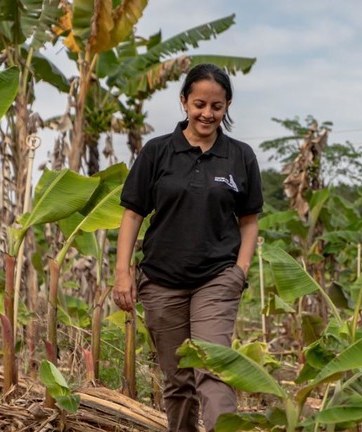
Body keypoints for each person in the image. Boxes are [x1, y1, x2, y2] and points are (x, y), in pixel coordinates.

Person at [113, 63, 263, 432]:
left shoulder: (240, 157)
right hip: (162, 279)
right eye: (199, 104)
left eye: (216, 106)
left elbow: (249, 221)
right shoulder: (157, 151)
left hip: (216, 277)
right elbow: (133, 214)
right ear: (183, 102)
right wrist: (122, 272)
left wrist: (238, 272)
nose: (207, 114)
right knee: (178, 380)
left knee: (214, 368)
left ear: (227, 106)